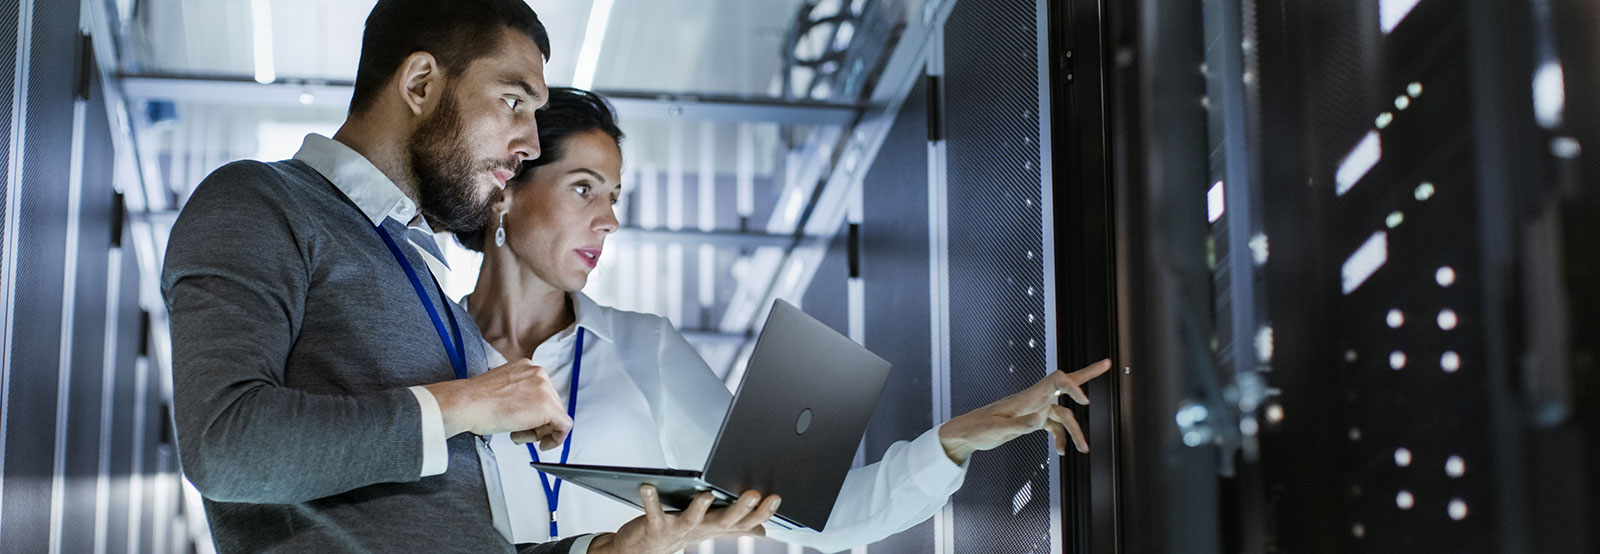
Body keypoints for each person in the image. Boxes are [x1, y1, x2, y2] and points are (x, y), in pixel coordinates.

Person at [457, 87, 1112, 553]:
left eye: (614, 196)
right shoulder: (428, 358)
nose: (610, 219)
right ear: (507, 189)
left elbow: (806, 519)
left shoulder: (641, 348)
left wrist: (957, 440)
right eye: (583, 188)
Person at [157, 2, 693, 552]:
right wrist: (464, 404)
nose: (531, 143)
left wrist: (602, 550)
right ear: (419, 84)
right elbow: (224, 446)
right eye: (513, 102)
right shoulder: (260, 201)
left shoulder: (430, 286)